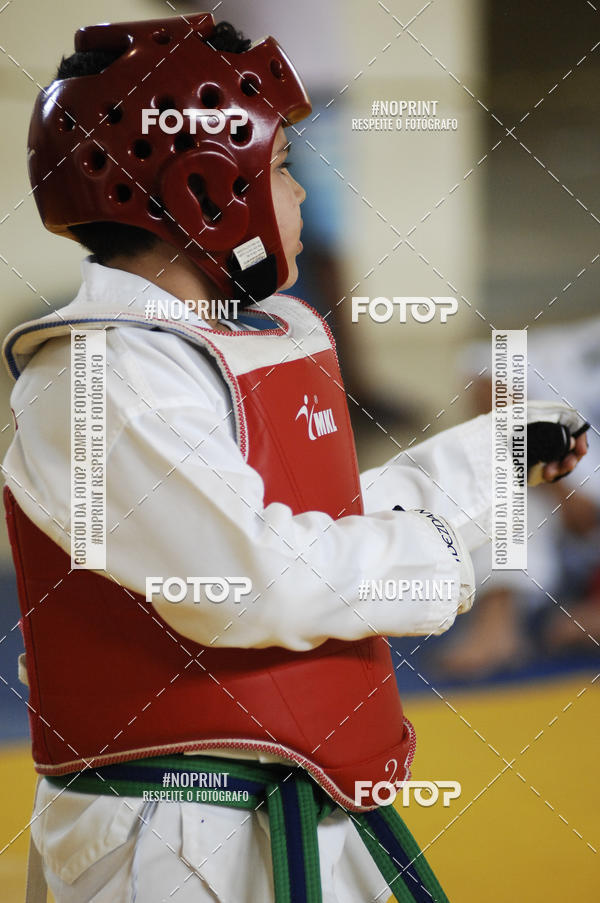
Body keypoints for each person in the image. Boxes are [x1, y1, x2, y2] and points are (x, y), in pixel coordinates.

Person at [1, 13, 589, 903]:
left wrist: (492, 462)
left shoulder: (228, 340)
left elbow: (321, 515)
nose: (304, 195)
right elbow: (250, 581)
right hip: (170, 840)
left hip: (295, 794)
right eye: (282, 168)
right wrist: (439, 550)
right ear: (205, 186)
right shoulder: (100, 374)